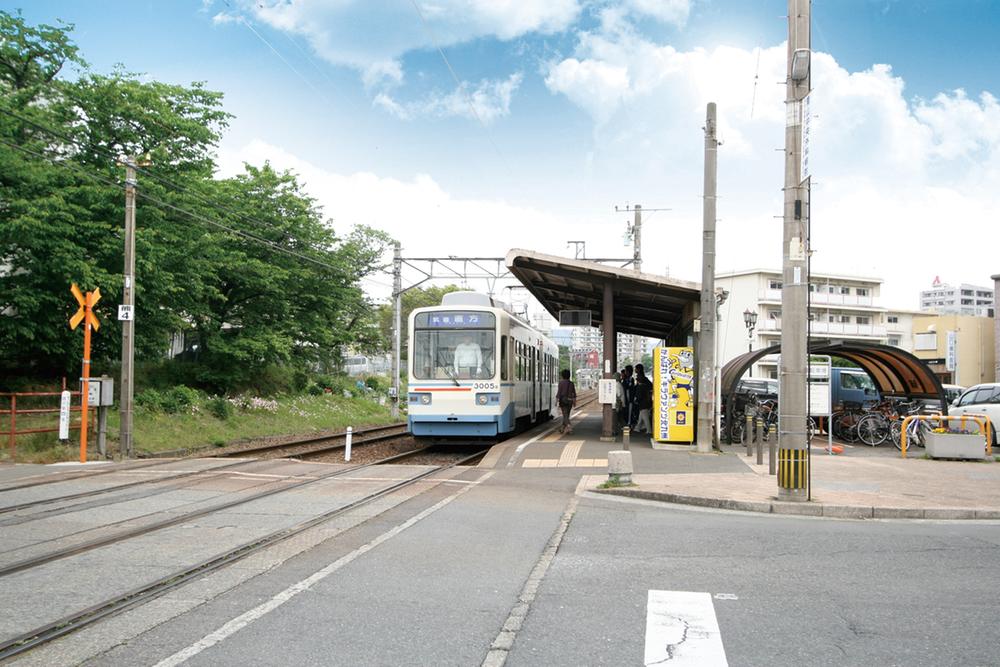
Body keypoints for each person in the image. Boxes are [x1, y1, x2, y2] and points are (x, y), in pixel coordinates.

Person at [633, 364, 653, 434]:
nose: (635, 370)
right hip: (646, 401)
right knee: (641, 415)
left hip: (643, 402)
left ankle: (649, 430)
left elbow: (639, 395)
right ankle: (637, 428)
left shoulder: (641, 385)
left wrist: (636, 400)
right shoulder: (645, 381)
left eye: (636, 369)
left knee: (645, 416)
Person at [556, 368, 577, 434]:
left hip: (563, 401)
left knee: (565, 415)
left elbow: (559, 392)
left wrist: (556, 401)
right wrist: (574, 402)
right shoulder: (571, 383)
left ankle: (569, 427)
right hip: (570, 401)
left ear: (562, 375)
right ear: (569, 375)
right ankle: (562, 429)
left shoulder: (561, 383)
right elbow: (574, 393)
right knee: (566, 415)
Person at [620, 365, 635, 430]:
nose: (625, 372)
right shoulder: (626, 379)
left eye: (626, 371)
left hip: (629, 399)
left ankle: (629, 424)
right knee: (626, 412)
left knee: (629, 412)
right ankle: (628, 424)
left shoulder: (631, 379)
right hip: (626, 399)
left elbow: (629, 388)